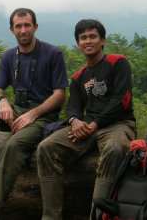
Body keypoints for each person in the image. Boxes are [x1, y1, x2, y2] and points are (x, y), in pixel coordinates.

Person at [0, 8, 68, 220]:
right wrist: (2, 102)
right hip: (18, 109)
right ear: (11, 30)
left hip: (43, 116)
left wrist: (34, 114)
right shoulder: (9, 56)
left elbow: (59, 95)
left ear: (35, 27)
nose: (23, 30)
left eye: (27, 25)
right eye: (18, 26)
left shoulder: (52, 53)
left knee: (14, 145)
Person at [37, 19, 136, 220]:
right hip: (86, 127)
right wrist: (74, 121)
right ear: (77, 43)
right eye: (83, 38)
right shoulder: (78, 76)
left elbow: (122, 100)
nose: (87, 41)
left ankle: (97, 216)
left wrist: (95, 123)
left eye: (92, 36)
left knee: (115, 149)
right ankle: (50, 217)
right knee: (46, 148)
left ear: (102, 41)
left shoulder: (117, 62)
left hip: (117, 124)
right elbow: (72, 106)